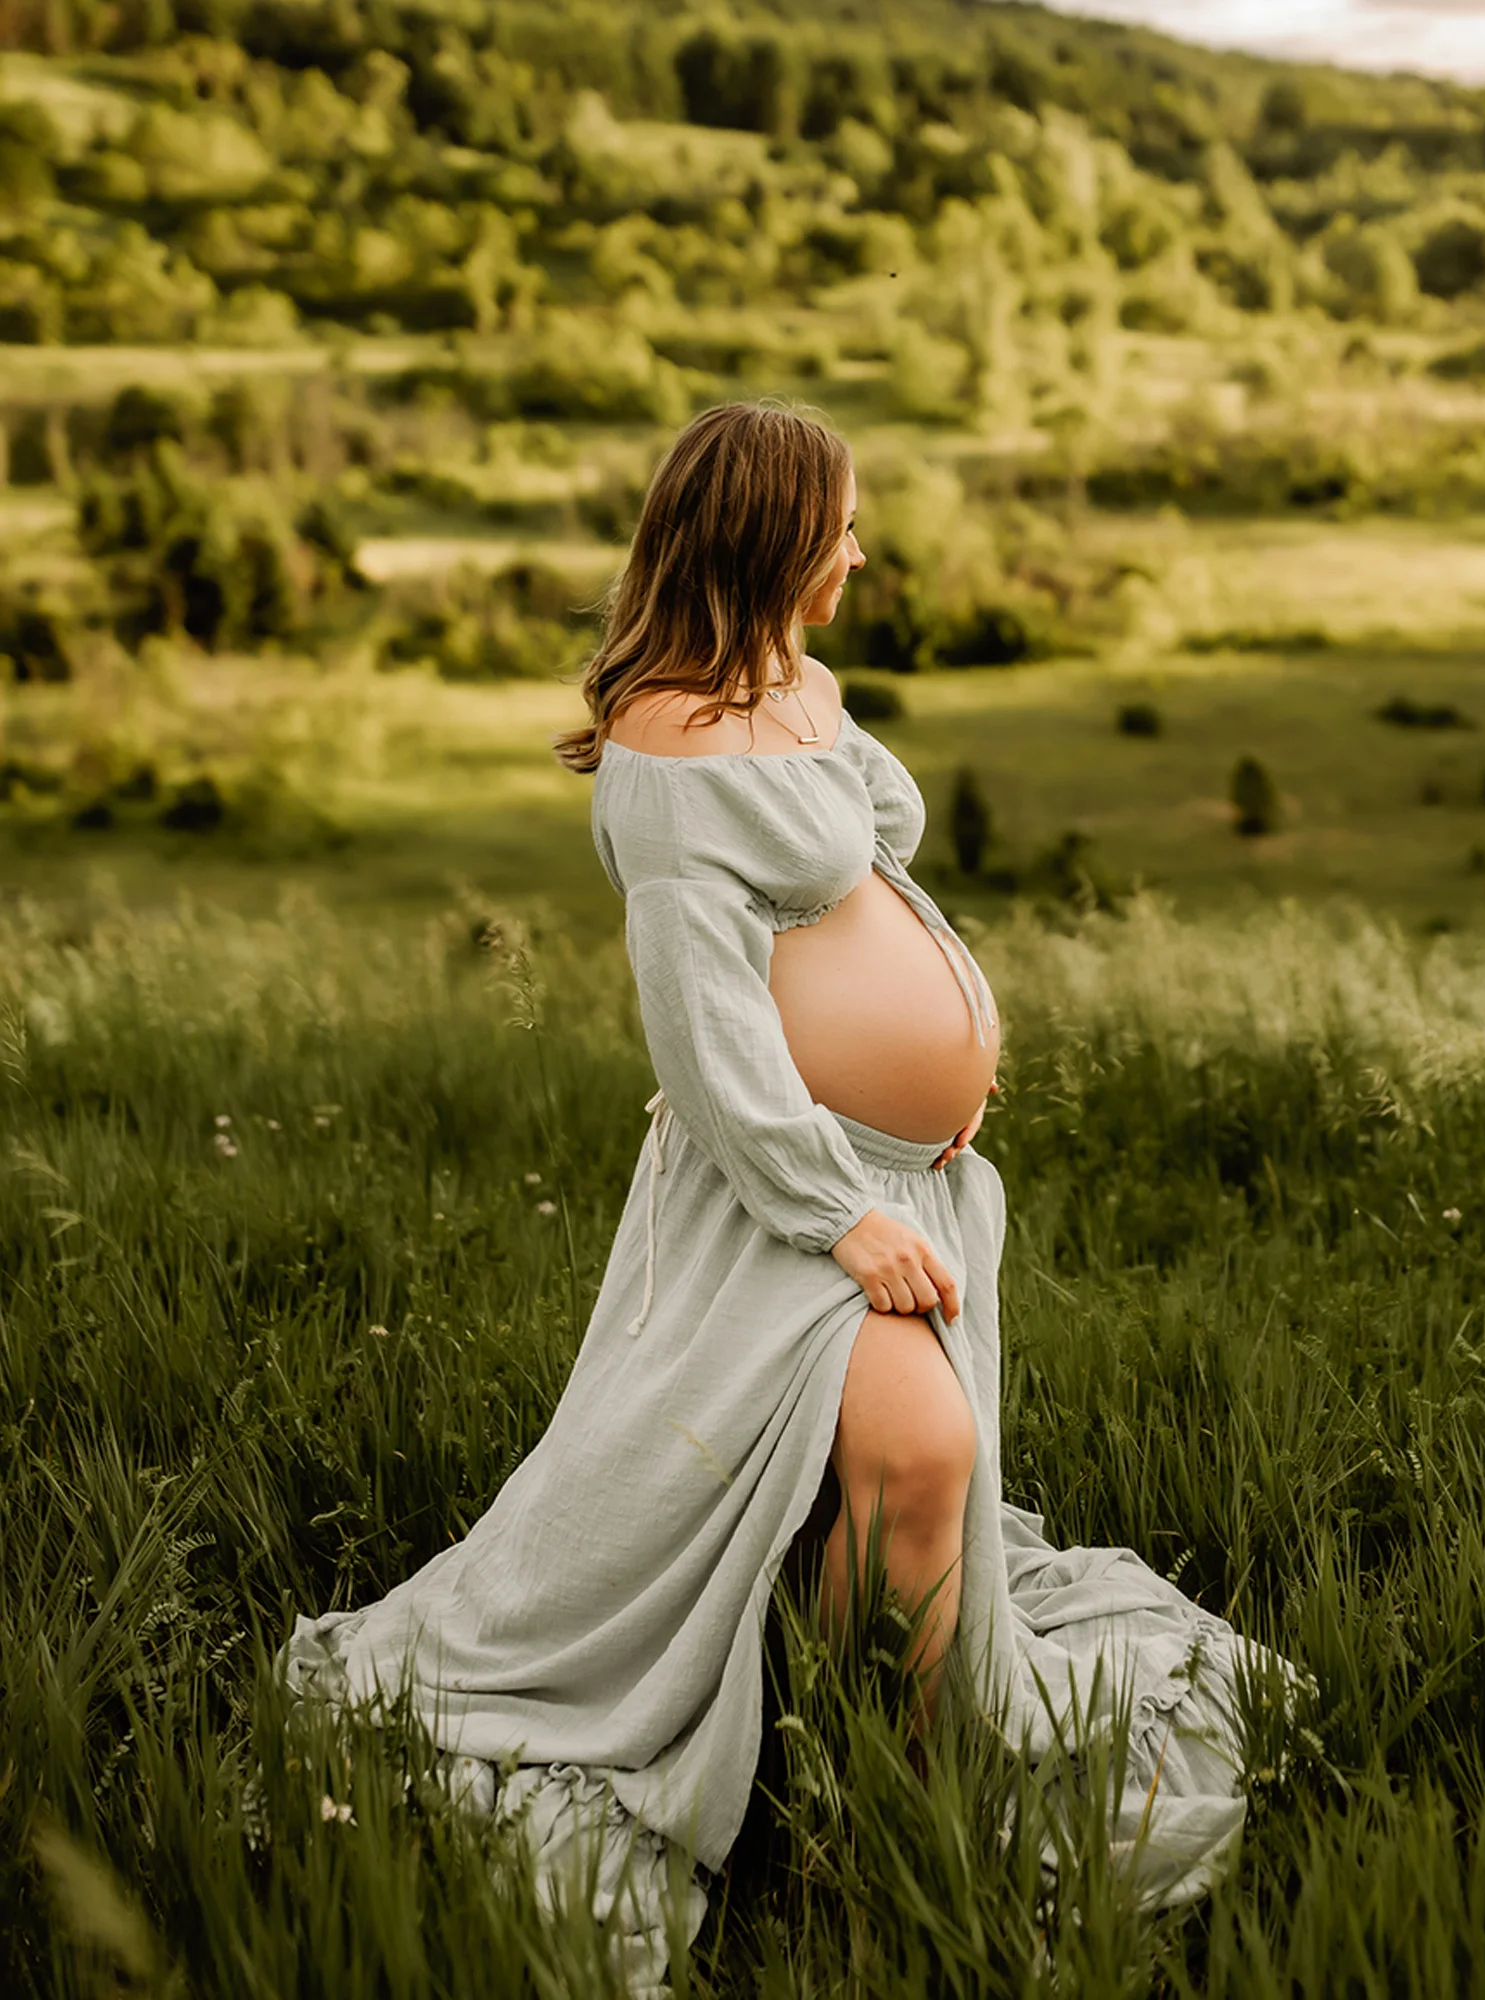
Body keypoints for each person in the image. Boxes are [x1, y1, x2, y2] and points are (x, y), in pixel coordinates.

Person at [288, 403, 1287, 1979]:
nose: (860, 552)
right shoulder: (670, 756)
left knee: (894, 1486)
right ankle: (863, 1820)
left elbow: (867, 857)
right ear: (768, 540)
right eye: (840, 526)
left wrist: (941, 1038)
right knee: (919, 1442)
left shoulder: (795, 690)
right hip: (795, 1196)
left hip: (890, 1168)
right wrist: (840, 1205)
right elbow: (702, 1034)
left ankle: (855, 1779)